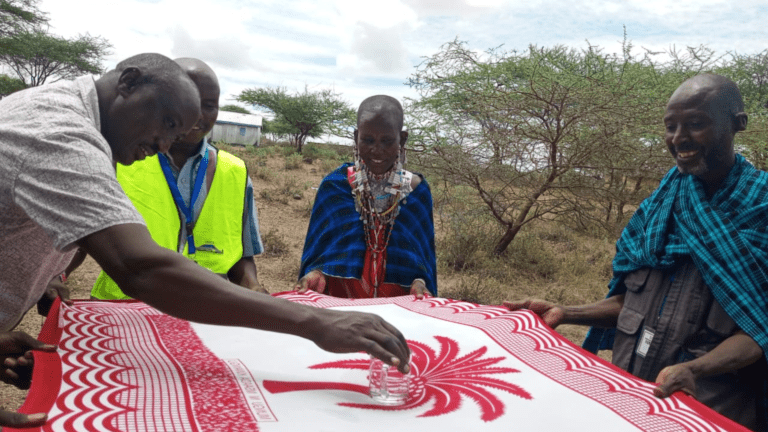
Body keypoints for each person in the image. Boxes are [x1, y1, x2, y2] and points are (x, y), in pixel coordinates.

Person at [0, 53, 410, 429]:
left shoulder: (83, 125)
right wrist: (317, 322)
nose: (164, 145)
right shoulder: (60, 134)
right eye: (167, 126)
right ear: (128, 83)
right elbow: (140, 267)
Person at [504, 74, 767, 431]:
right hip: (629, 393)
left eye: (695, 124)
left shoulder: (761, 210)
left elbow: (759, 331)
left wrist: (695, 369)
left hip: (710, 411)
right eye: (670, 126)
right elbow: (633, 303)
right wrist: (566, 312)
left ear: (739, 124)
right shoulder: (659, 208)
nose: (679, 139)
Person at [89, 57, 266, 299]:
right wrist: (57, 277)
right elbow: (81, 239)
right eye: (188, 103)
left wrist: (253, 287)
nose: (197, 115)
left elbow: (242, 256)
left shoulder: (235, 171)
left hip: (209, 311)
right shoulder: (122, 159)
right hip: (125, 310)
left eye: (209, 105)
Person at [295, 95, 437, 299]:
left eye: (387, 141)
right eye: (368, 140)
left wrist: (420, 282)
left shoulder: (416, 191)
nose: (376, 150)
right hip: (341, 302)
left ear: (402, 139)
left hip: (398, 306)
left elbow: (423, 263)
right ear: (356, 137)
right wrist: (316, 274)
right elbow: (319, 254)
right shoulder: (335, 186)